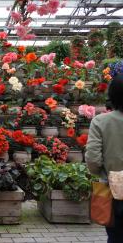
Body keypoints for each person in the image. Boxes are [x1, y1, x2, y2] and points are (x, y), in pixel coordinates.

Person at [85, 73, 123, 243]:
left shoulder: (101, 122)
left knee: (116, 236)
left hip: (116, 190)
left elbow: (93, 159)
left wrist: (103, 174)